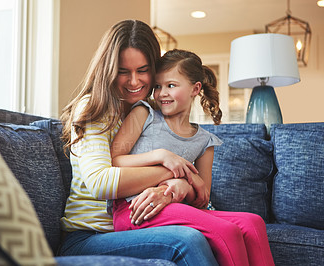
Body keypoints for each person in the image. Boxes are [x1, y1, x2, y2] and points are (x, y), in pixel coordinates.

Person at [59, 20, 218, 266]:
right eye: (124, 71)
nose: (134, 82)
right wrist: (174, 169)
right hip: (89, 237)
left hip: (136, 227)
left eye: (143, 70)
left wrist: (175, 187)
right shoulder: (95, 108)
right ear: (108, 70)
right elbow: (100, 183)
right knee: (187, 241)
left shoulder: (151, 112)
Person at [110, 49, 275, 266]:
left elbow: (202, 198)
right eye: (157, 87)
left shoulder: (205, 141)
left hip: (174, 207)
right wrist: (163, 156)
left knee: (253, 223)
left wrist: (178, 185)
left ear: (195, 88)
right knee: (226, 230)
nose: (161, 93)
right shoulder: (144, 113)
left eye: (171, 85)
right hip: (135, 207)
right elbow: (115, 159)